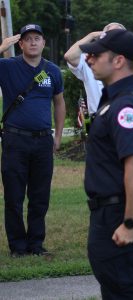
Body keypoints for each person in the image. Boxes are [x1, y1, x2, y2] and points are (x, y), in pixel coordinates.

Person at [80, 29, 133, 298]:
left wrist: (129, 223)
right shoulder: (114, 100)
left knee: (124, 292)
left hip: (118, 214)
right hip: (111, 211)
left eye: (96, 54)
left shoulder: (126, 107)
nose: (89, 59)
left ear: (118, 61)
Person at [0, 24, 66, 257]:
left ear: (44, 43)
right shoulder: (7, 67)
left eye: (37, 38)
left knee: (40, 197)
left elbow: (59, 103)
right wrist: (1, 47)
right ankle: (18, 246)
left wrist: (57, 135)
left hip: (42, 141)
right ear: (21, 44)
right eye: (28, 39)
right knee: (14, 196)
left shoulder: (52, 71)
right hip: (15, 140)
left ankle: (36, 244)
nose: (33, 42)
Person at [64, 22, 133, 115]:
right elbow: (70, 56)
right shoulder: (93, 60)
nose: (91, 61)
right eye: (111, 35)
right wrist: (92, 35)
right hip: (98, 119)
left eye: (119, 36)